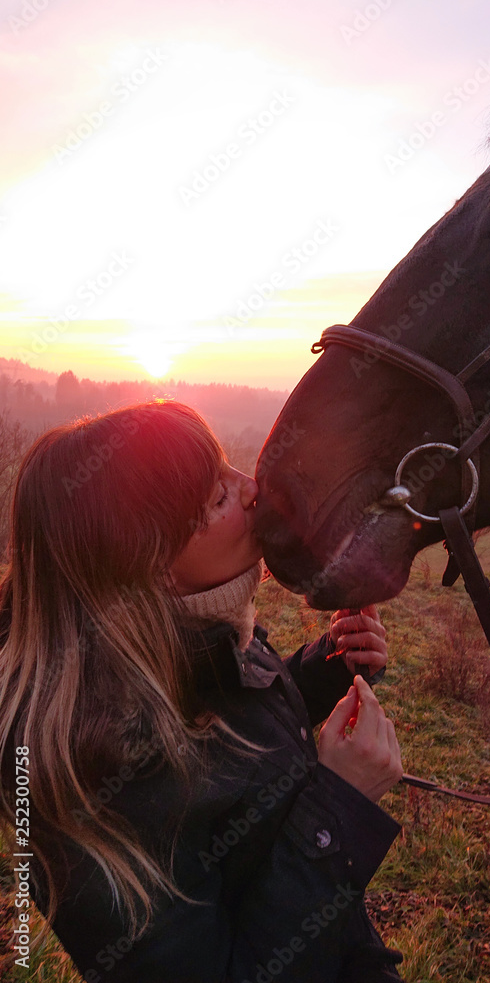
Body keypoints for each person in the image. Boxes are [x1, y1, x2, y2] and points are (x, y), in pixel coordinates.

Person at [0, 400, 404, 983]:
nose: (251, 489)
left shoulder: (184, 639)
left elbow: (224, 729)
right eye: (217, 497)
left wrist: (327, 666)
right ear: (145, 563)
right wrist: (338, 804)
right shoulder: (97, 779)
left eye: (227, 470)